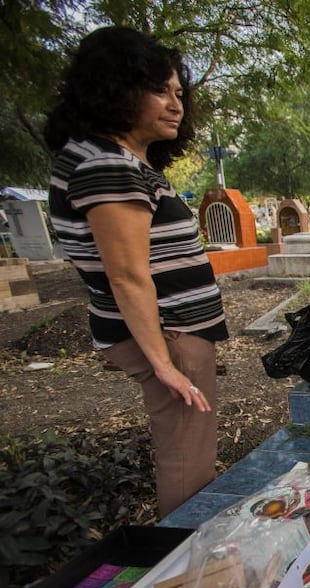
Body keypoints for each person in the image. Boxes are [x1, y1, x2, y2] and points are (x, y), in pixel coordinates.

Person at [45, 26, 228, 518]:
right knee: (188, 461)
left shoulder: (118, 161)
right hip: (169, 337)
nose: (175, 105)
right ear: (117, 89)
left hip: (175, 334)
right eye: (159, 91)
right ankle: (191, 573)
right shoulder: (106, 164)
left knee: (189, 450)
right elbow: (127, 275)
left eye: (177, 93)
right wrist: (166, 364)